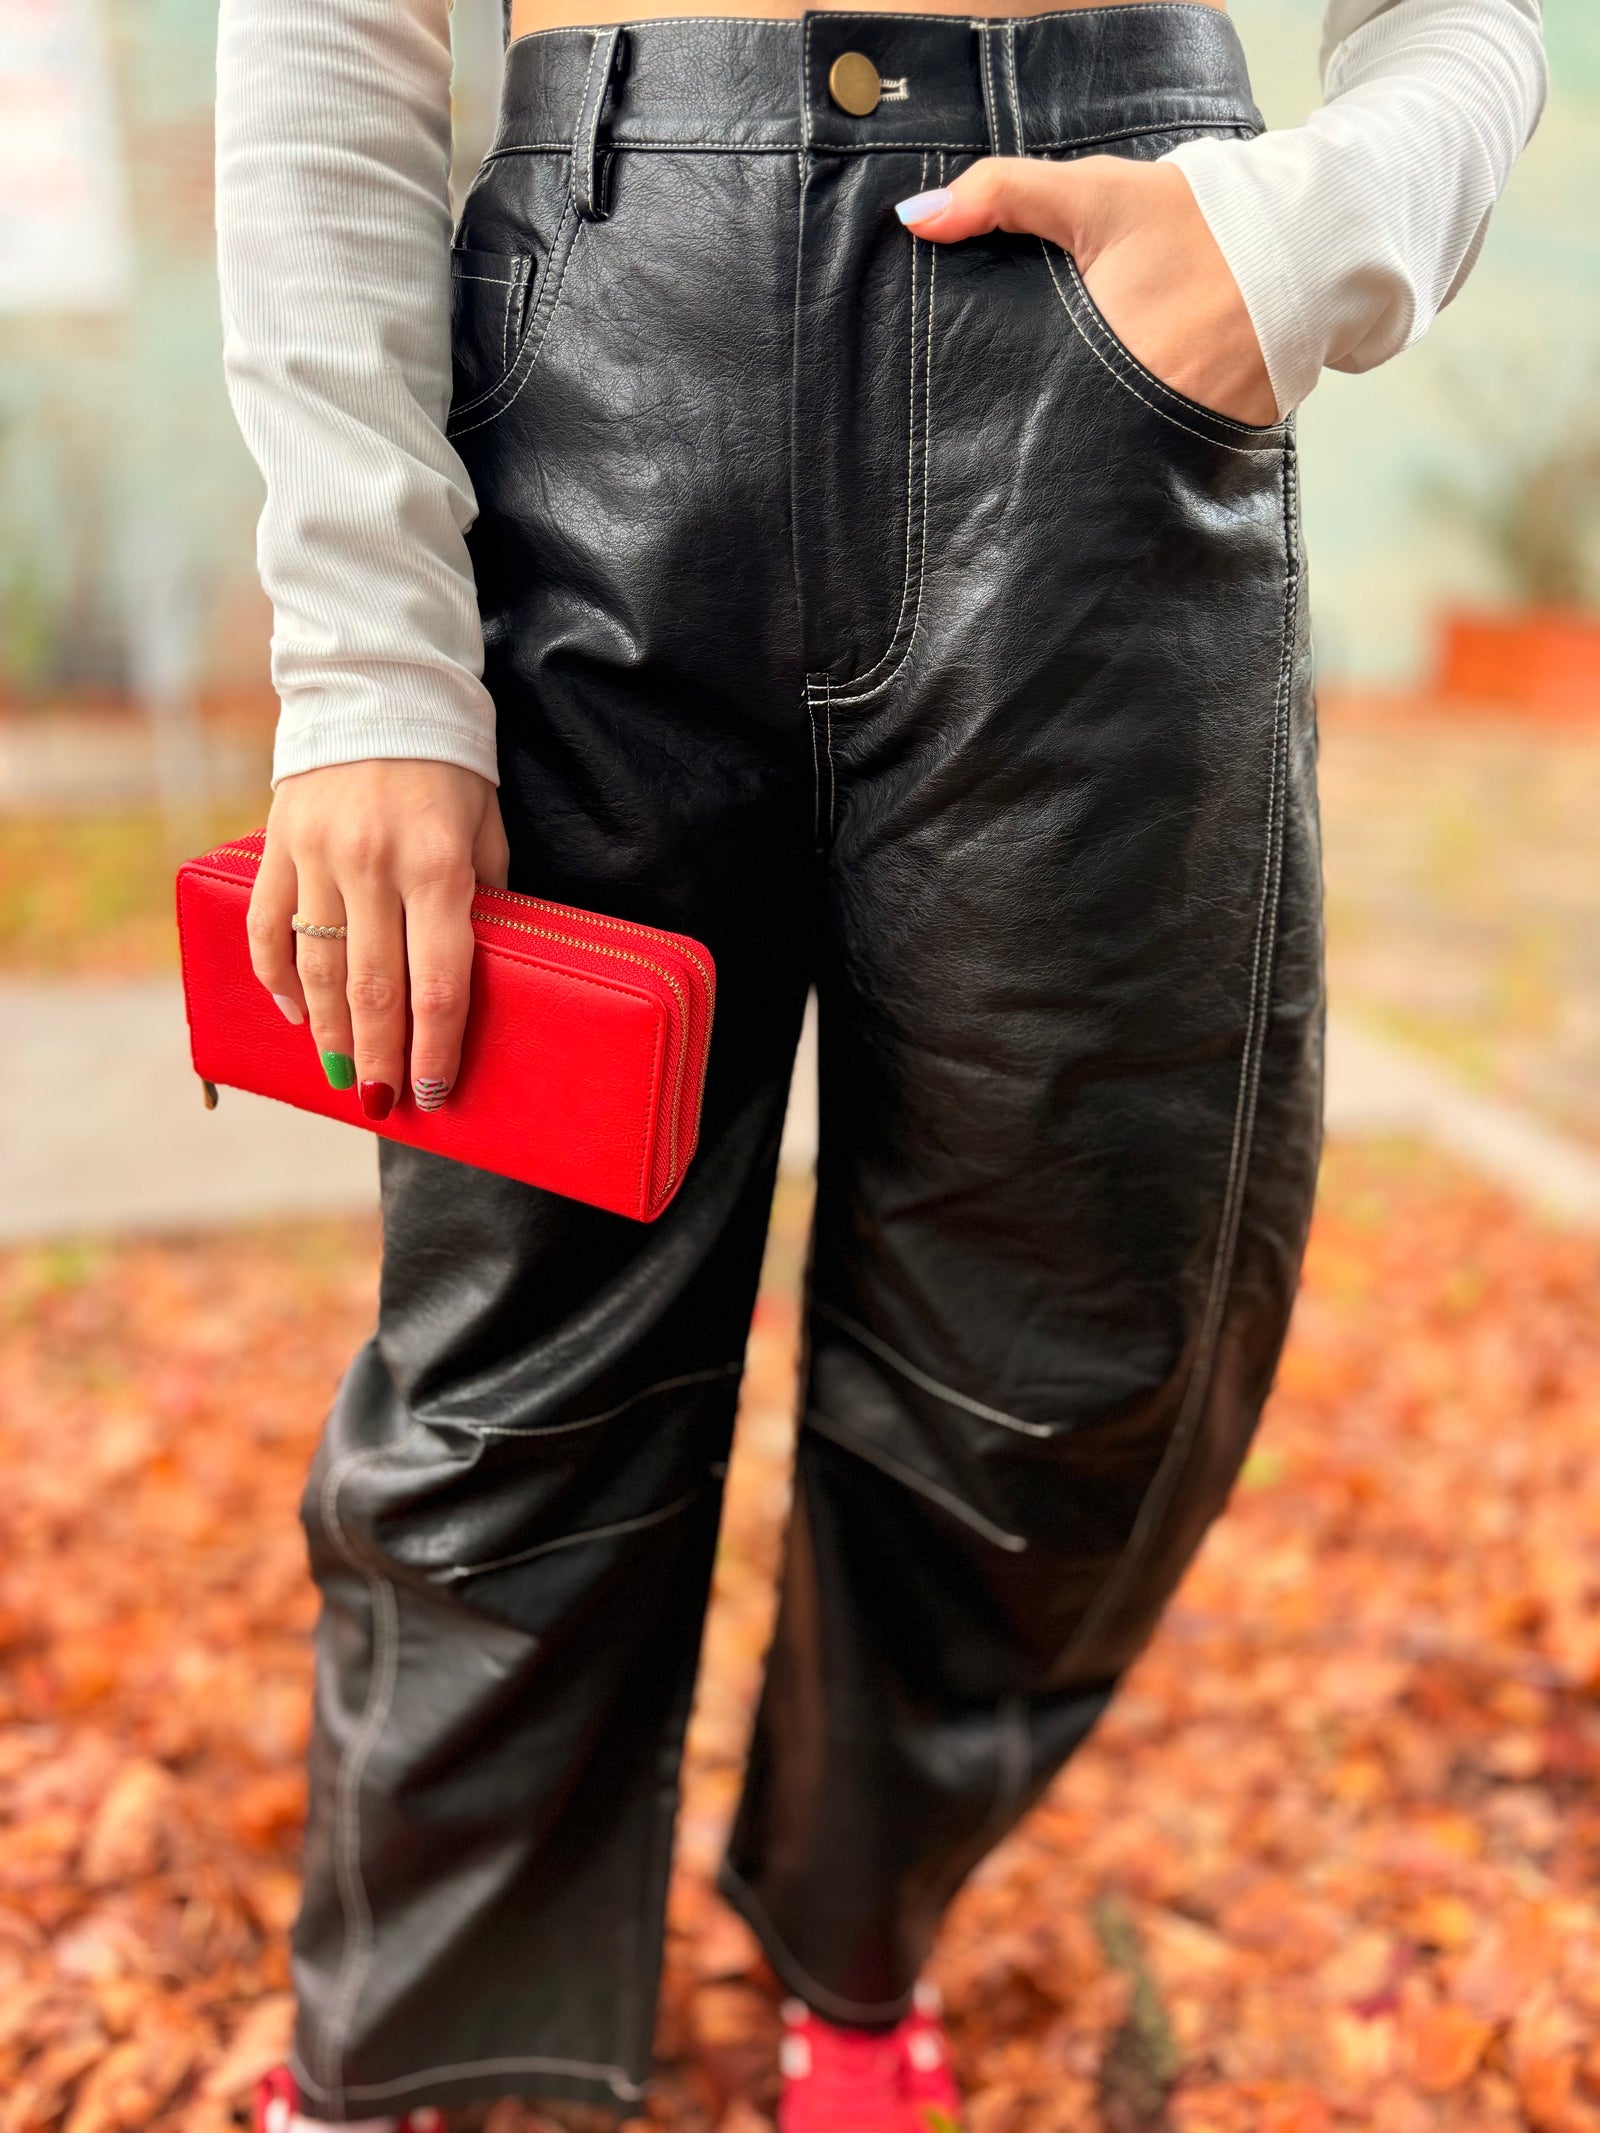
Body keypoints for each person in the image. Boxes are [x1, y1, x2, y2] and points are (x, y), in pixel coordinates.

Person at [214, 0, 1544, 2124]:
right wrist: (367, 663)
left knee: (1071, 1339)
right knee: (509, 1358)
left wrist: (1307, 227)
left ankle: (852, 1931)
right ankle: (414, 2061)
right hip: (593, 351)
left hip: (1107, 378)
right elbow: (328, 38)